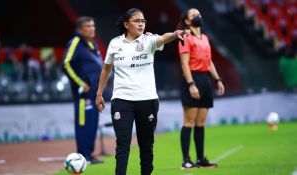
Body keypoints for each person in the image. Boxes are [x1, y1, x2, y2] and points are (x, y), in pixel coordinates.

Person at [95, 8, 189, 175]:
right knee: (123, 143)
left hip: (147, 100)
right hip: (122, 100)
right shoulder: (115, 43)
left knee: (146, 145)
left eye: (143, 21)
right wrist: (99, 93)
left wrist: (175, 34)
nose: (141, 24)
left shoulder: (149, 40)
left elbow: (163, 38)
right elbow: (106, 69)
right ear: (126, 24)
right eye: (137, 21)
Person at [177, 8, 225, 169]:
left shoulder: (204, 37)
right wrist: (191, 84)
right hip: (193, 78)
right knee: (189, 121)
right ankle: (186, 161)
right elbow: (184, 63)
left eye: (199, 14)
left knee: (200, 122)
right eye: (194, 15)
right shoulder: (185, 37)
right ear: (187, 21)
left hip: (205, 79)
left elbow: (209, 61)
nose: (198, 16)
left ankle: (201, 159)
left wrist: (217, 79)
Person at [62, 16, 103, 164]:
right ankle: (83, 154)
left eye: (93, 26)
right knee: (83, 123)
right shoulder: (76, 43)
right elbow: (66, 64)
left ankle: (89, 155)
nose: (92, 28)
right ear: (79, 30)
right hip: (83, 94)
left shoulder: (92, 45)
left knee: (92, 122)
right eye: (88, 26)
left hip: (94, 93)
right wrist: (81, 84)